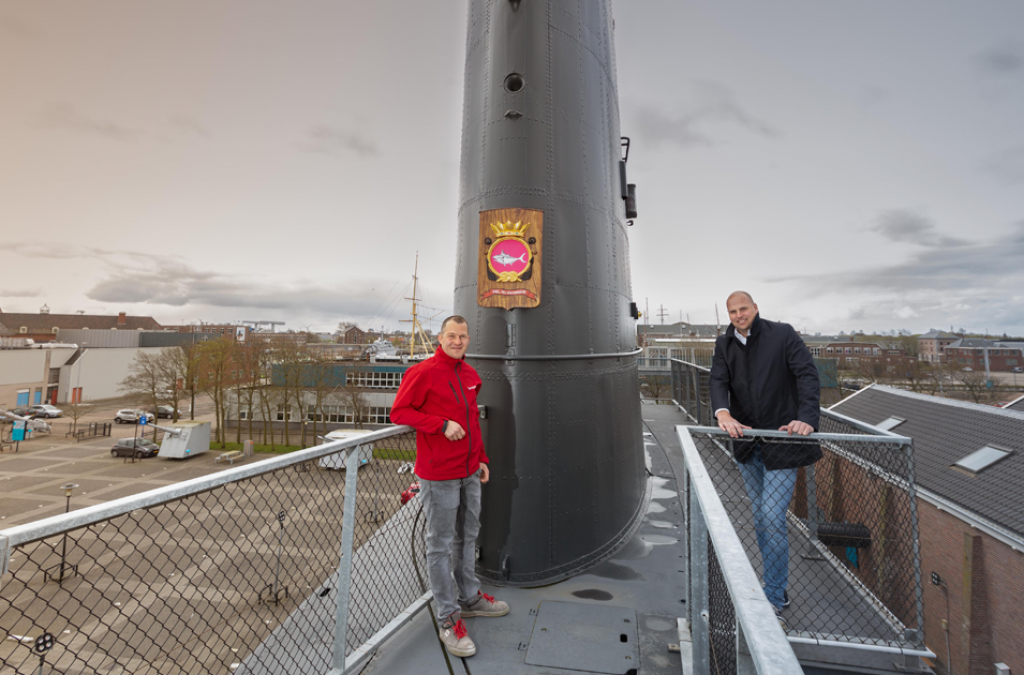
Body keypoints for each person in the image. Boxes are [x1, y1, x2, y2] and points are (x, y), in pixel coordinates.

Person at [390, 315, 509, 658]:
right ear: (440, 338)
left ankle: (469, 598)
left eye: (463, 336)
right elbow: (399, 412)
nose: (457, 341)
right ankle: (448, 619)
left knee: (468, 536)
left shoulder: (469, 375)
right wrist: (440, 424)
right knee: (440, 545)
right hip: (439, 474)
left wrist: (481, 458)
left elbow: (472, 420)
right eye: (451, 336)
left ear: (469, 340)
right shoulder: (422, 372)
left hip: (469, 471)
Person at [709, 291, 821, 621]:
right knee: (761, 519)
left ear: (756, 308)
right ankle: (776, 586)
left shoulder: (782, 334)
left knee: (772, 517)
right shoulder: (724, 344)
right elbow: (717, 380)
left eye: (743, 308)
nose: (739, 315)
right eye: (733, 311)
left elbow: (807, 375)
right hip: (747, 443)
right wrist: (722, 413)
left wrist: (807, 418)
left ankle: (772, 595)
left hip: (783, 440)